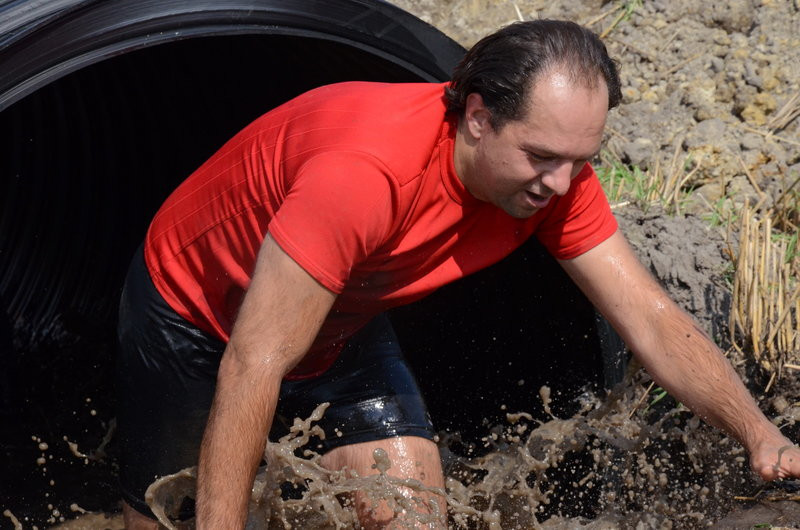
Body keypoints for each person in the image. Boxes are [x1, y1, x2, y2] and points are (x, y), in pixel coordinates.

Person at [116, 19, 800, 529]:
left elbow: (649, 319)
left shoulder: (557, 183)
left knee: (413, 519)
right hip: (198, 315)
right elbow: (254, 361)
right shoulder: (366, 175)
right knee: (170, 512)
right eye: (540, 156)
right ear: (477, 117)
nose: (561, 183)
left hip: (339, 321)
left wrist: (759, 433)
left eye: (579, 159)